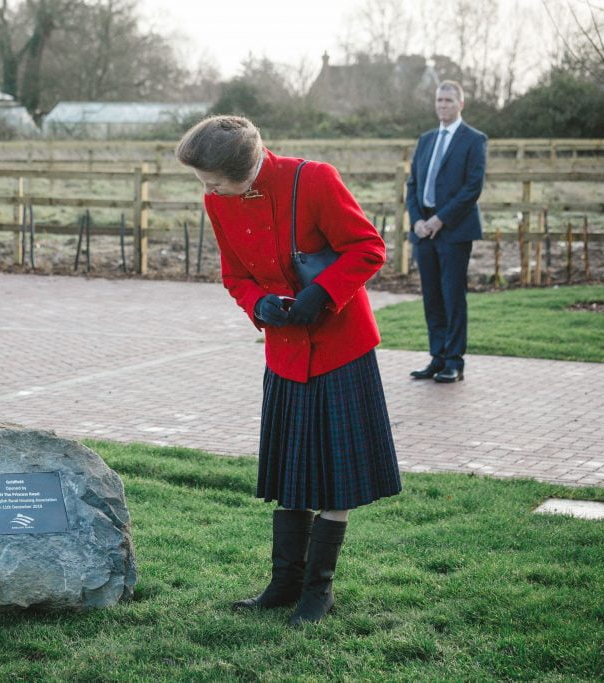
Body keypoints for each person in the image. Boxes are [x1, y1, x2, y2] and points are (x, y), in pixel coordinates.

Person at [175, 116, 401, 627]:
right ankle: (284, 584)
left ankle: (318, 592)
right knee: (291, 471)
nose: (207, 190)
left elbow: (369, 248)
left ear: (248, 167)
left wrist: (319, 295)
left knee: (335, 477)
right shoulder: (219, 200)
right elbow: (233, 274)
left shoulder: (315, 179)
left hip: (341, 347)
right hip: (284, 352)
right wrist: (259, 306)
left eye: (214, 180)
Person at [406, 80, 487, 383]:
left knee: (453, 297)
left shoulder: (474, 140)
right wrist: (416, 220)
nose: (442, 105)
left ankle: (454, 361)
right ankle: (437, 358)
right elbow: (412, 184)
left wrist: (439, 220)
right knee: (432, 297)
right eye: (439, 100)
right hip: (423, 230)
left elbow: (471, 188)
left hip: (453, 230)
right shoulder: (426, 139)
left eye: (449, 101)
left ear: (461, 104)